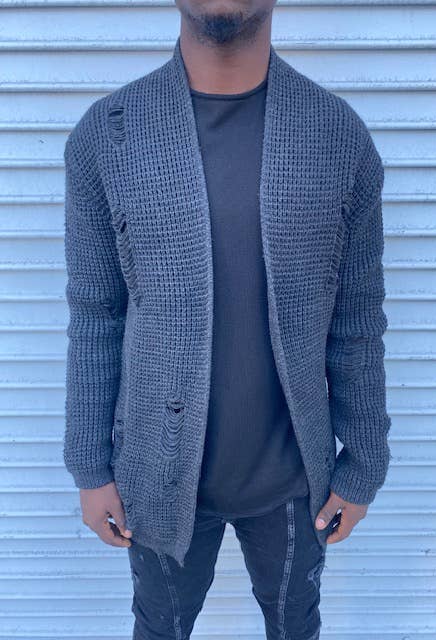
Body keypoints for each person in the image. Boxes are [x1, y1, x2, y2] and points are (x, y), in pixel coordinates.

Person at [62, 1, 392, 638]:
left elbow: (357, 321)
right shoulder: (108, 135)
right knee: (159, 628)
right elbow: (96, 315)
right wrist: (90, 466)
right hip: (155, 474)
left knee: (296, 625)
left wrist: (363, 465)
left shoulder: (338, 135)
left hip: (295, 483)